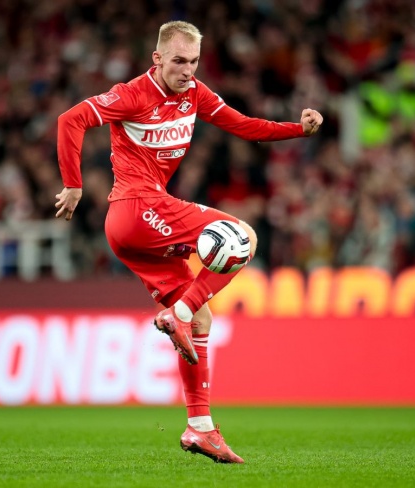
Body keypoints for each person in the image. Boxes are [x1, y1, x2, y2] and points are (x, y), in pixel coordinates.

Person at [54, 20, 323, 464]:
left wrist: (298, 129)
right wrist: (73, 184)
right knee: (244, 236)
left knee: (202, 319)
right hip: (137, 208)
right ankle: (175, 314)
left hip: (133, 231)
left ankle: (200, 427)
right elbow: (71, 119)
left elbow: (246, 126)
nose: (187, 70)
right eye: (178, 60)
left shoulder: (196, 93)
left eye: (194, 61)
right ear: (157, 58)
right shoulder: (132, 94)